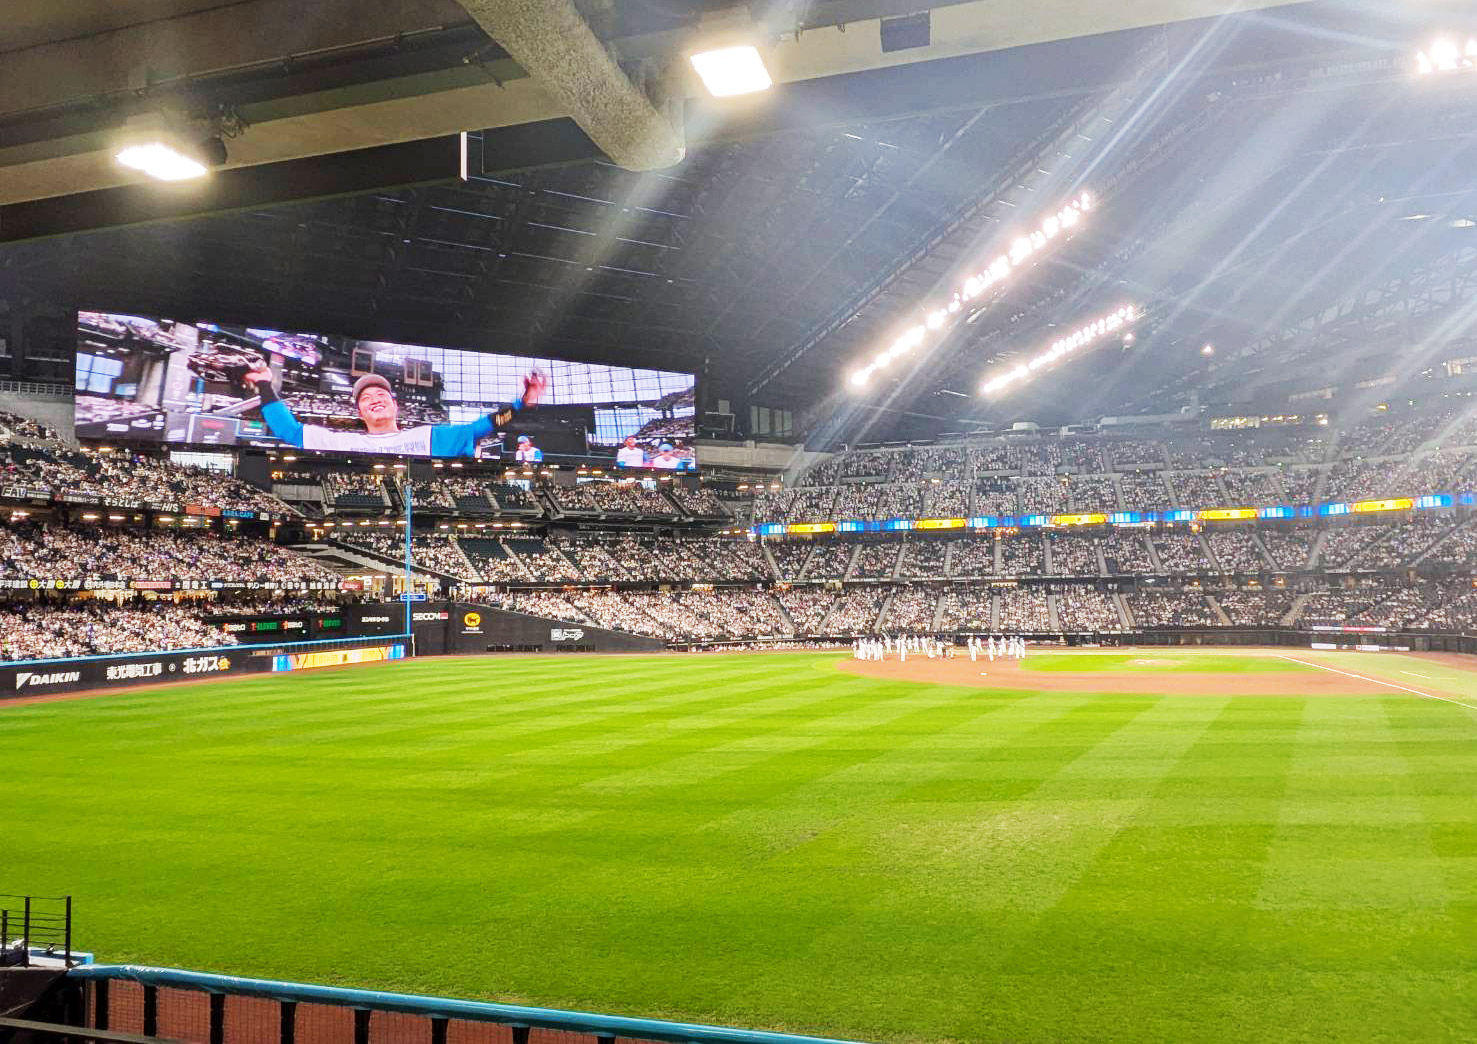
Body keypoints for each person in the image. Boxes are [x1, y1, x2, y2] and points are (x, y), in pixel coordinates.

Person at [244, 366, 546, 458]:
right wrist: (266, 386)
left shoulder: (428, 436)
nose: (374, 399)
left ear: (395, 405)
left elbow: (483, 427)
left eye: (381, 394)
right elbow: (290, 431)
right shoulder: (344, 441)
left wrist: (522, 404)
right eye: (365, 398)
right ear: (360, 411)